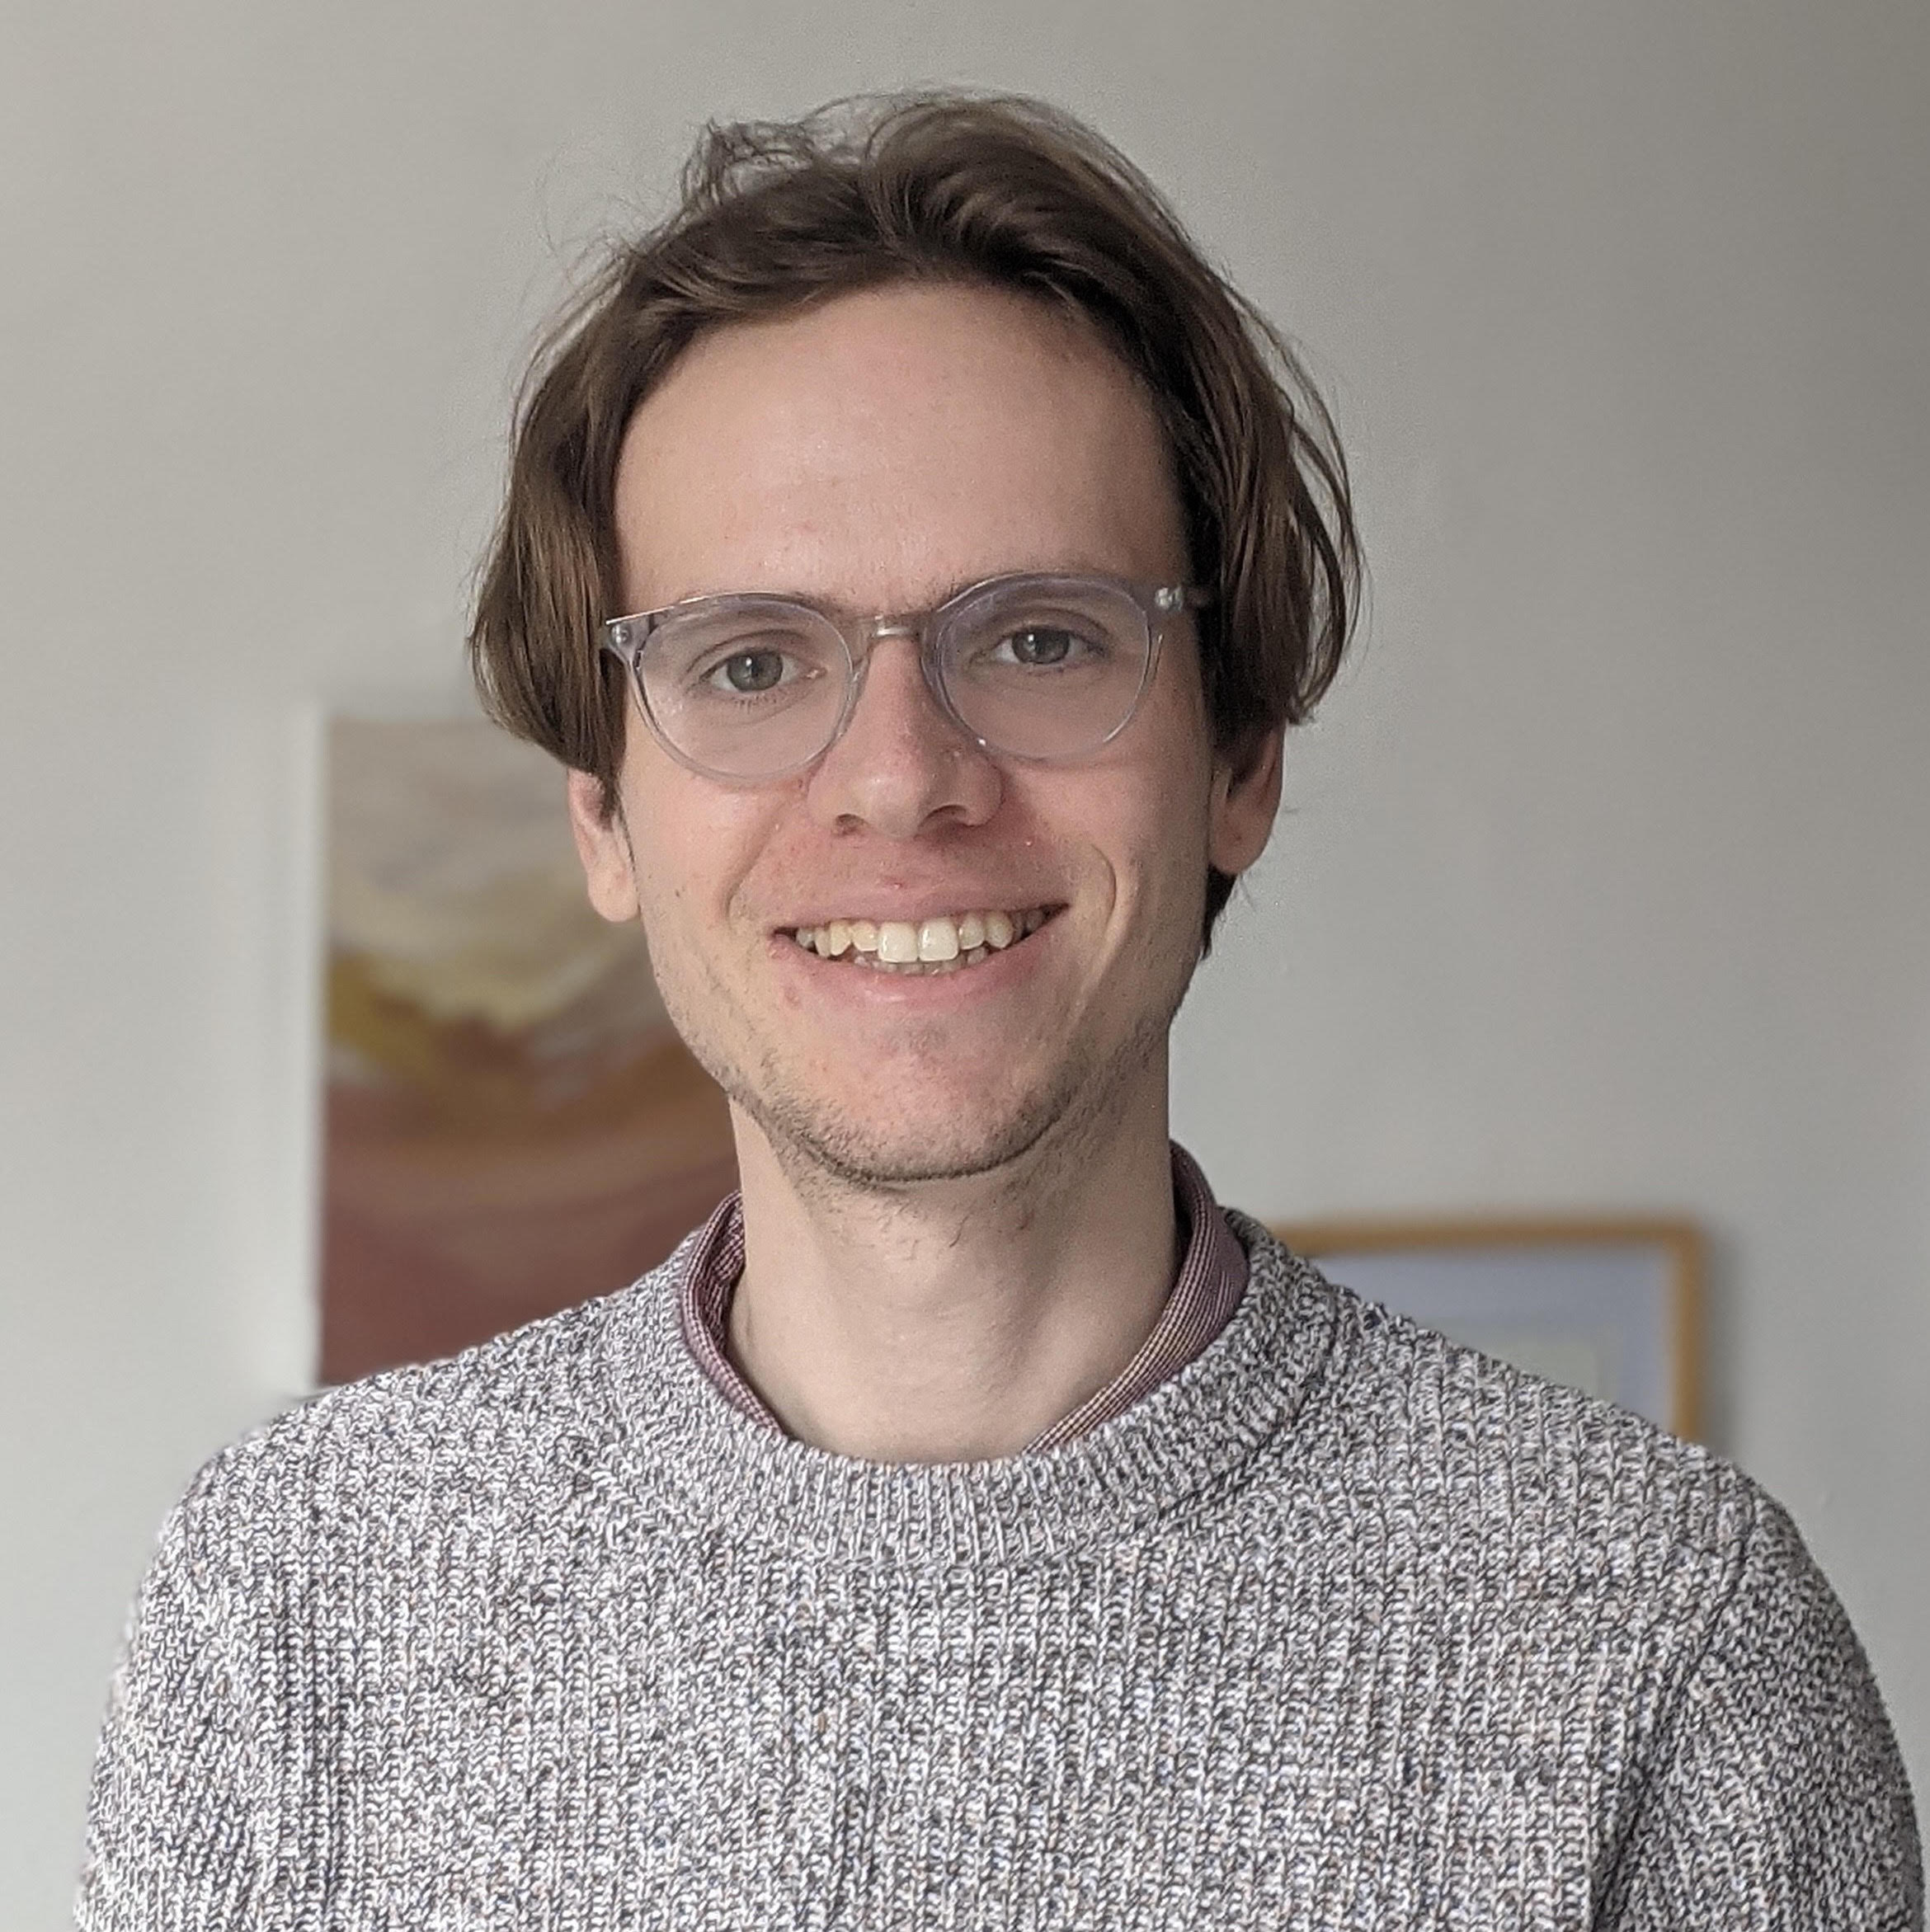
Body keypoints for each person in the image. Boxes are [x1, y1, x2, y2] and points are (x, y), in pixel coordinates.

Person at [78, 92, 1920, 1928]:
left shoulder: (1662, 1646)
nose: (900, 779)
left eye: (1040, 636)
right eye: (751, 658)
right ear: (602, 818)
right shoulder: (294, 1612)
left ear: (1241, 757)